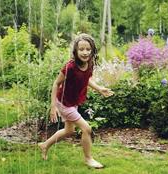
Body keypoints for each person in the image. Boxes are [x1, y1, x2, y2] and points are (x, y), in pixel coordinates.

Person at [38, 33, 114, 169]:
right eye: (81, 49)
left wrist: (99, 89)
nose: (85, 53)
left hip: (72, 102)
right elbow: (56, 84)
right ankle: (88, 159)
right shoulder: (70, 67)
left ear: (92, 50)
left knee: (69, 131)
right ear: (75, 51)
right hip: (64, 103)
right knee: (87, 129)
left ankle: (44, 145)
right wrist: (53, 106)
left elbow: (87, 79)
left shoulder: (88, 64)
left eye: (88, 49)